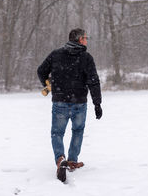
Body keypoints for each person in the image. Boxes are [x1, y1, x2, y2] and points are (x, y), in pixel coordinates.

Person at [37, 28, 103, 182]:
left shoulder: (56, 54)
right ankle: (72, 161)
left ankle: (61, 160)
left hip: (60, 101)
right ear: (79, 39)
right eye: (85, 38)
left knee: (57, 133)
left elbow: (41, 71)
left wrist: (47, 83)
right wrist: (97, 103)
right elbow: (93, 82)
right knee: (78, 131)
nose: (87, 40)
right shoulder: (86, 58)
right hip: (79, 102)